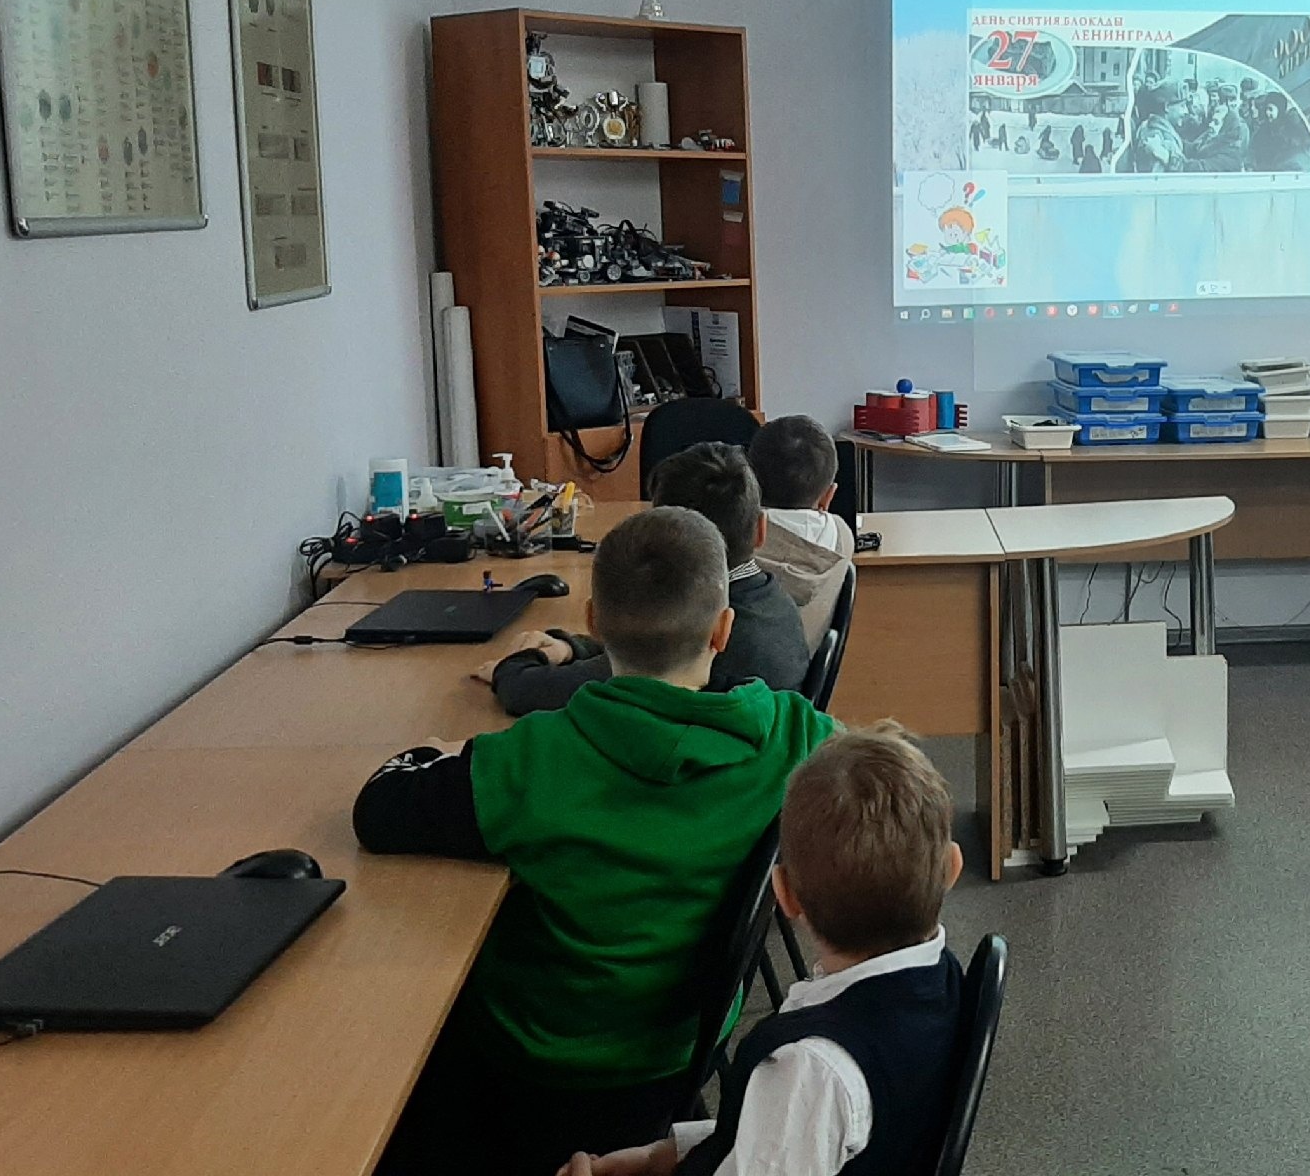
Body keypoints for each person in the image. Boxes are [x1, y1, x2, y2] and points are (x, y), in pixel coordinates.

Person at [357, 507, 837, 1176]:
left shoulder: (535, 758)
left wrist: (433, 753)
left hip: (535, 1066)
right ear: (724, 629)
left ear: (592, 622)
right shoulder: (797, 736)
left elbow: (377, 811)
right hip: (683, 1053)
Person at [559, 724, 966, 1176]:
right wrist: (664, 1154)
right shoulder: (943, 982)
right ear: (951, 868)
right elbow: (790, 1137)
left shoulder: (810, 1070)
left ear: (784, 896)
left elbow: (797, 1126)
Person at [486, 444, 813, 713]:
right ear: (761, 530)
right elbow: (636, 642)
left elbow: (531, 693)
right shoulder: (773, 602)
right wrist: (570, 648)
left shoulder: (697, 642)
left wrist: (516, 665)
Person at [748, 415, 854, 647]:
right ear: (828, 496)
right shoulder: (843, 536)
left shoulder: (737, 546)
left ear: (750, 482)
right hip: (805, 665)